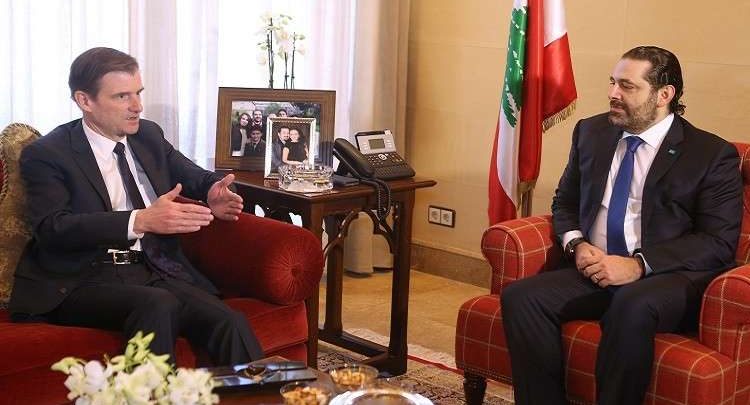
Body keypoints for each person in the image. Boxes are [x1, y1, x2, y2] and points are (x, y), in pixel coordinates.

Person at [501, 46, 742, 405]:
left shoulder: (709, 154)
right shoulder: (591, 132)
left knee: (632, 303)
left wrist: (638, 265)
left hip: (667, 277)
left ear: (664, 95)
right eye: (613, 82)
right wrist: (577, 245)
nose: (613, 93)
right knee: (521, 297)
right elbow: (565, 202)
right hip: (597, 266)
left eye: (627, 86)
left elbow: (717, 242)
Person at [8, 47, 264, 366]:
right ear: (85, 100)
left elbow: (192, 175)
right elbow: (52, 228)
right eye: (122, 96)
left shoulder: (147, 135)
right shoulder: (49, 153)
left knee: (230, 322)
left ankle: (267, 391)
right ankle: (152, 392)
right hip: (82, 278)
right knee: (157, 304)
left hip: (151, 267)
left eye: (138, 93)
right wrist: (139, 220)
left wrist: (214, 190)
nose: (137, 106)